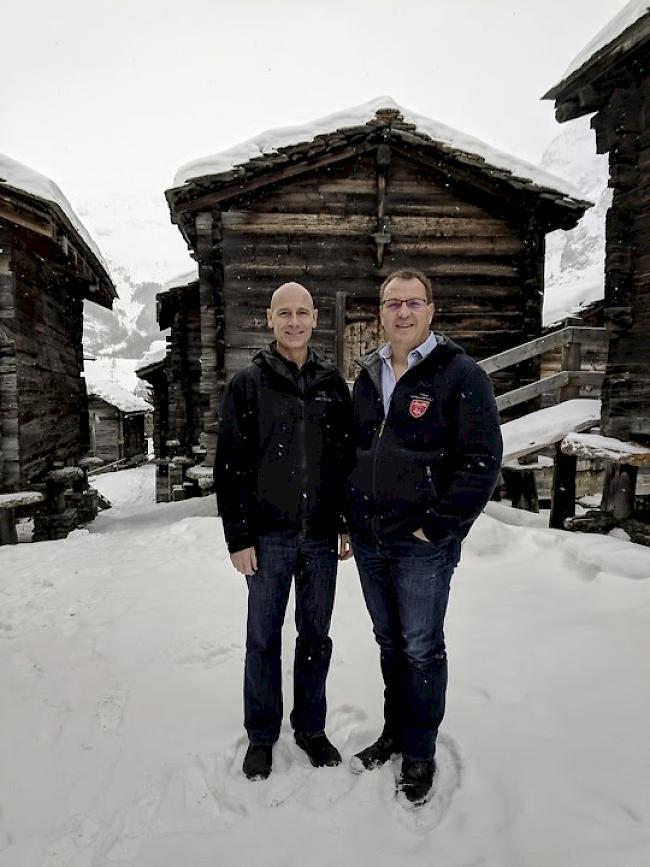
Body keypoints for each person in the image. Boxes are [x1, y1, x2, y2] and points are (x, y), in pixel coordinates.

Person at [346, 268, 502, 804]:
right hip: (371, 538)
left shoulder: (460, 375)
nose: (403, 313)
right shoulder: (367, 377)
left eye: (413, 303)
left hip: (421, 545)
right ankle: (395, 731)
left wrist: (436, 526)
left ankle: (420, 752)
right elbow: (357, 455)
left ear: (431, 310)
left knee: (420, 647)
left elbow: (481, 463)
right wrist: (351, 515)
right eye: (393, 304)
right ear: (381, 313)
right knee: (390, 643)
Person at [214, 281, 353, 781]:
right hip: (268, 536)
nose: (294, 322)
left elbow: (343, 463)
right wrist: (239, 537)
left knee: (315, 636)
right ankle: (262, 735)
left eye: (302, 313)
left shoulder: (333, 385)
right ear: (269, 320)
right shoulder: (247, 384)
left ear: (315, 318)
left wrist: (344, 523)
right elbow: (229, 466)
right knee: (262, 639)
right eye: (284, 314)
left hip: (318, 535)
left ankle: (311, 729)